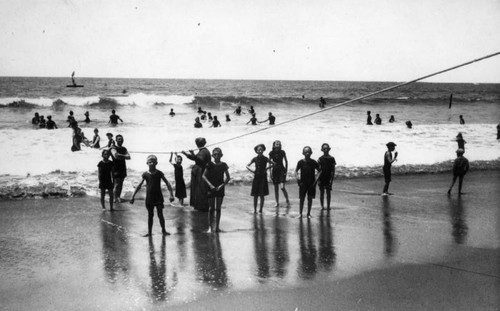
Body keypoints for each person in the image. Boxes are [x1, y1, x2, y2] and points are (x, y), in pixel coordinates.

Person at [130, 155, 175, 237]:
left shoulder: (159, 173)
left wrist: (171, 194)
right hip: (149, 198)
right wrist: (133, 196)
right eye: (149, 161)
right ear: (146, 163)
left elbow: (167, 183)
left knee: (160, 214)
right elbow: (139, 186)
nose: (151, 162)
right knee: (150, 215)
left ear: (156, 163)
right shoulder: (145, 174)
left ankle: (164, 231)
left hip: (159, 198)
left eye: (153, 161)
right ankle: (149, 232)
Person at [202, 147, 231, 233]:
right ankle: (210, 227)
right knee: (211, 208)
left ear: (221, 155)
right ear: (212, 155)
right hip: (211, 188)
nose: (217, 156)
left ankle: (217, 227)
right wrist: (210, 185)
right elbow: (203, 176)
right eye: (215, 154)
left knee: (218, 208)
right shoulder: (209, 164)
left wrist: (222, 186)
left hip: (220, 189)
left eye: (218, 154)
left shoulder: (224, 165)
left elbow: (228, 177)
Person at [182, 137, 211, 211]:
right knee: (199, 189)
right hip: (200, 172)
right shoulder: (203, 151)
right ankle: (199, 205)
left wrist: (189, 154)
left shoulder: (203, 151)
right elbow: (197, 158)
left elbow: (199, 160)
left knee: (200, 189)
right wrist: (187, 154)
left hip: (201, 172)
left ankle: (200, 206)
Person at [295, 146, 321, 218]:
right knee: (302, 199)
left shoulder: (313, 162)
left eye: (309, 152)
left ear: (311, 153)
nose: (307, 153)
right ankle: (300, 214)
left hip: (311, 183)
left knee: (310, 199)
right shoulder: (300, 162)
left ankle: (308, 214)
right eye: (306, 152)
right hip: (303, 183)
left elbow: (320, 171)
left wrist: (316, 180)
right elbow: (296, 171)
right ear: (303, 153)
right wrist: (297, 179)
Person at [247, 144, 272, 213]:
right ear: (256, 151)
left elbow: (274, 164)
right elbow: (247, 165)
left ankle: (260, 210)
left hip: (263, 178)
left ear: (263, 150)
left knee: (262, 195)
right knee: (255, 195)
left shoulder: (266, 158)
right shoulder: (254, 159)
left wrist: (266, 168)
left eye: (261, 149)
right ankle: (255, 210)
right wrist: (252, 171)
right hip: (256, 177)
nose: (260, 151)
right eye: (258, 150)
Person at [269, 140, 290, 207]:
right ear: (274, 145)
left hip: (281, 170)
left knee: (282, 187)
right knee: (276, 188)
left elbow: (286, 162)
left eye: (279, 144)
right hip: (274, 171)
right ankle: (277, 202)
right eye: (277, 144)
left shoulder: (282, 152)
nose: (278, 145)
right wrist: (270, 173)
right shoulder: (271, 153)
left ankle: (287, 199)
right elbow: (269, 163)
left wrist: (286, 171)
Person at [110, 134, 131, 203]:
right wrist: (124, 156)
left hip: (122, 167)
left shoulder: (124, 148)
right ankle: (114, 198)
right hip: (116, 167)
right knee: (116, 184)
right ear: (116, 140)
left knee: (121, 183)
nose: (120, 140)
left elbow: (129, 157)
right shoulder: (113, 148)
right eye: (119, 139)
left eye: (121, 139)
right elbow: (115, 156)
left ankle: (118, 197)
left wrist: (120, 155)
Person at [318, 143, 336, 210]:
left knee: (328, 193)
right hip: (322, 177)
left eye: (327, 148)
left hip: (328, 178)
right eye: (324, 148)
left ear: (329, 149)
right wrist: (318, 180)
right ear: (322, 150)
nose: (326, 150)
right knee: (321, 193)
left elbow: (333, 170)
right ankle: (322, 206)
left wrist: (332, 180)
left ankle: (328, 206)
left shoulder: (332, 159)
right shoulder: (320, 159)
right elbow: (318, 170)